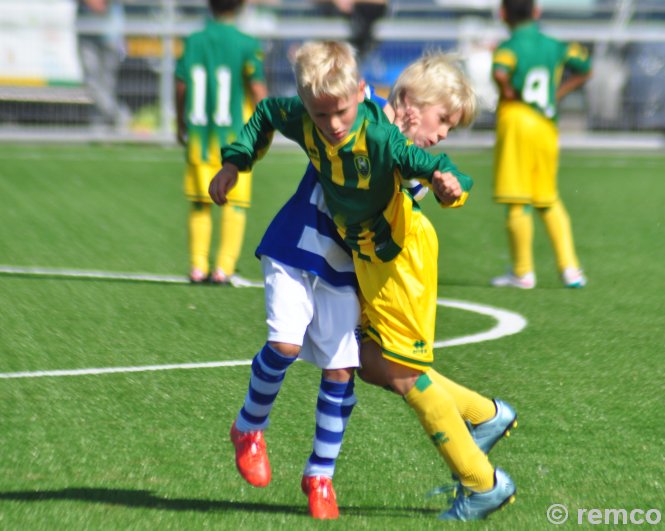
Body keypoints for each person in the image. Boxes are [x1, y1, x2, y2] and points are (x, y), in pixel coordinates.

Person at [211, 41, 516, 521]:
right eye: (444, 121)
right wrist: (237, 161)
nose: (443, 135)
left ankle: (482, 481)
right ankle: (483, 416)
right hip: (359, 265)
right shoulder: (349, 116)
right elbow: (277, 110)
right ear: (411, 103)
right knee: (371, 364)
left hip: (393, 268)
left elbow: (436, 174)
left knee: (396, 371)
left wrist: (447, 184)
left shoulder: (387, 140)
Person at [489, 0, 591, 290]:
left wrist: (508, 90)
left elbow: (500, 71)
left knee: (517, 199)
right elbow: (585, 66)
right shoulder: (557, 46)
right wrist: (559, 92)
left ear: (503, 14)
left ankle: (522, 272)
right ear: (536, 12)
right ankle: (570, 269)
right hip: (546, 124)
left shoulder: (508, 47)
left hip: (518, 120)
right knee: (548, 198)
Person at [175, 0, 268, 285]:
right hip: (235, 140)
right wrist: (266, 124)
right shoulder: (247, 43)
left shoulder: (193, 41)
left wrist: (180, 120)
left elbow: (181, 84)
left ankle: (198, 266)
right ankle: (223, 269)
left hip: (201, 135)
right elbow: (256, 87)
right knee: (235, 202)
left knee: (200, 203)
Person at [77, 0, 129, 129]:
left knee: (107, 84)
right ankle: (119, 116)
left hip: (111, 32)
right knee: (92, 83)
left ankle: (101, 126)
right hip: (86, 30)